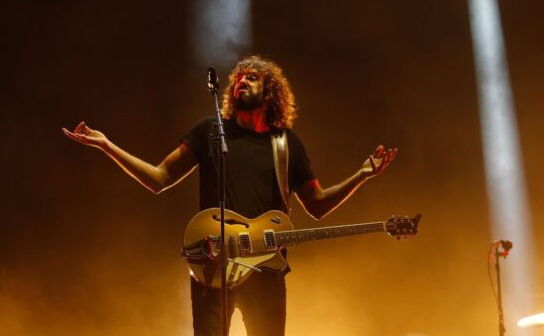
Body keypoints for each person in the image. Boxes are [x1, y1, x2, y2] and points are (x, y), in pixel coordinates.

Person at [62, 55, 397, 336]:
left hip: (266, 271)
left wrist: (361, 175)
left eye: (252, 78)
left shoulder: (286, 144)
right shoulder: (209, 130)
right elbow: (159, 178)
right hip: (213, 266)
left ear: (270, 92)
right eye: (238, 78)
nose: (241, 82)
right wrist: (107, 146)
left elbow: (317, 206)